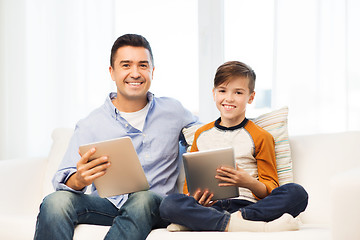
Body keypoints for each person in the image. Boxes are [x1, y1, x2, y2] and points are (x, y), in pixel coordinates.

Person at [34, 34, 198, 240]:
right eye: (126, 65)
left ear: (152, 72)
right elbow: (64, 182)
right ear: (112, 72)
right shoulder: (90, 124)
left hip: (156, 206)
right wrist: (80, 178)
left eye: (143, 65)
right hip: (107, 205)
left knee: (142, 199)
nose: (135, 73)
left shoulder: (174, 111)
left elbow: (206, 135)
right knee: (55, 202)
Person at [159, 61, 308, 232]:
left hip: (248, 207)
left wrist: (248, 182)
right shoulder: (201, 134)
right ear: (214, 94)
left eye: (238, 92)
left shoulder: (261, 136)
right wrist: (198, 199)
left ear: (250, 97)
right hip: (210, 207)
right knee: (168, 204)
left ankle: (224, 221)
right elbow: (189, 190)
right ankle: (243, 225)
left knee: (297, 193)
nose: (229, 98)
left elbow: (271, 189)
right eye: (222, 91)